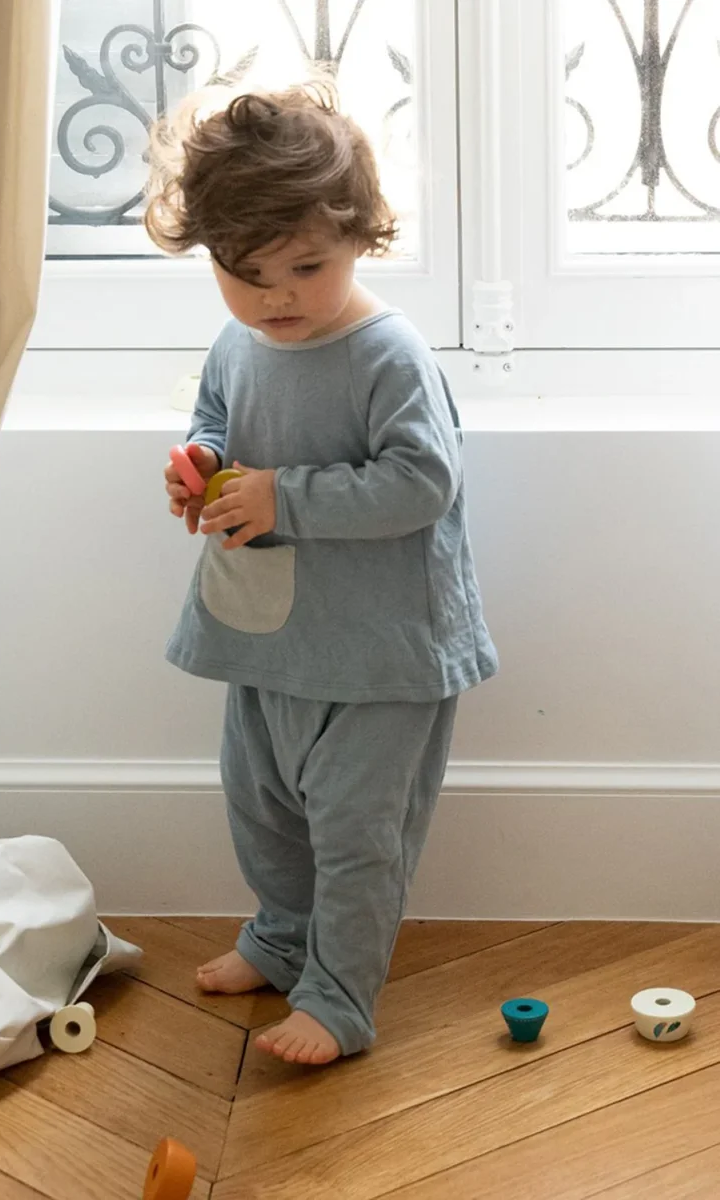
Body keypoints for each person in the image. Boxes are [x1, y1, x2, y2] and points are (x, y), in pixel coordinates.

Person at [145, 82, 498, 1066]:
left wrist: (282, 498)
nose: (278, 297)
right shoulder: (239, 342)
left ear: (359, 236)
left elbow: (421, 482)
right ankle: (279, 939)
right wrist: (200, 469)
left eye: (306, 266)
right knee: (261, 808)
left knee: (355, 831)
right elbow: (216, 423)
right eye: (246, 273)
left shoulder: (387, 355)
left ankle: (339, 999)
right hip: (269, 635)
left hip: (382, 649)